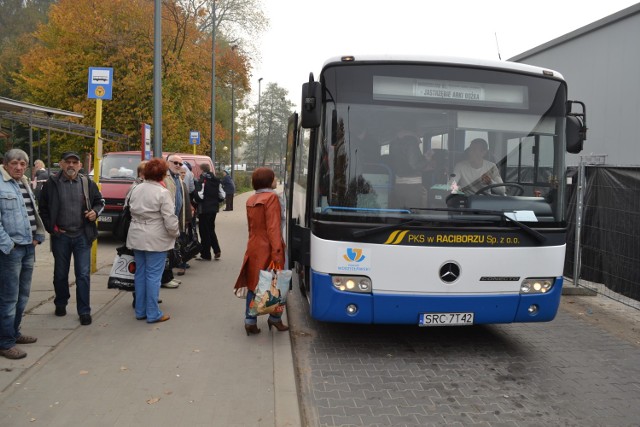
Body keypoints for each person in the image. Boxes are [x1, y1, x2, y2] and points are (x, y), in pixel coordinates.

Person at [38, 151, 104, 326]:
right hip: (61, 236)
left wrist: (95, 212)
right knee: (60, 274)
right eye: (68, 162)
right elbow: (42, 208)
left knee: (83, 275)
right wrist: (51, 228)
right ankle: (61, 302)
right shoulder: (52, 183)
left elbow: (100, 202)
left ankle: (84, 311)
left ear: (80, 166)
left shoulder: (86, 182)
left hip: (83, 235)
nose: (71, 165)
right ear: (61, 164)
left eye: (75, 162)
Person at [0, 149, 46, 359]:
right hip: (11, 250)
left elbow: (32, 211)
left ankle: (14, 332)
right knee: (8, 298)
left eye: (22, 164)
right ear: (6, 164)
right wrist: (8, 245)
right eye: (15, 163)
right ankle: (5, 343)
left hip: (28, 247)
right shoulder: (1, 184)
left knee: (23, 296)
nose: (18, 167)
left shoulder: (25, 182)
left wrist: (38, 236)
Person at [233, 167, 287, 335]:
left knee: (254, 284)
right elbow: (273, 228)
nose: (276, 179)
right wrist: (277, 252)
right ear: (269, 181)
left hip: (254, 245)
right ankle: (275, 319)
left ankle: (250, 321)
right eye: (274, 177)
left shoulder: (251, 198)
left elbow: (251, 227)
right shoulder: (272, 198)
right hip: (270, 246)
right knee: (277, 283)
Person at [126, 158, 179, 323]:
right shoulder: (162, 193)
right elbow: (169, 219)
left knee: (140, 274)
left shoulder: (136, 189)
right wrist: (175, 233)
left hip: (136, 234)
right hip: (156, 237)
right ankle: (153, 312)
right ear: (162, 175)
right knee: (153, 276)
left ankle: (140, 310)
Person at [161, 153, 189, 288]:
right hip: (165, 221)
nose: (178, 166)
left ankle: (168, 277)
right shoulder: (165, 177)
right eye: (175, 163)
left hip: (175, 219)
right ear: (167, 163)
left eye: (180, 164)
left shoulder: (177, 178)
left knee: (171, 250)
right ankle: (165, 278)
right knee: (165, 252)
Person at [386, 127, 429, 209]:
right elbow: (414, 164)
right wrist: (426, 160)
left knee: (399, 210)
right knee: (413, 212)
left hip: (398, 182)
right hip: (412, 185)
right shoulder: (411, 141)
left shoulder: (394, 142)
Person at [193, 163, 222, 261]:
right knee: (211, 229)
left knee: (204, 231)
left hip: (204, 209)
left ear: (202, 170)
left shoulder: (202, 180)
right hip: (214, 209)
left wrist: (196, 200)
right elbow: (222, 195)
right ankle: (217, 250)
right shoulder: (216, 179)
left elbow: (199, 196)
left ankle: (206, 254)